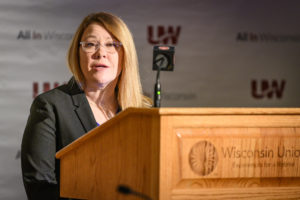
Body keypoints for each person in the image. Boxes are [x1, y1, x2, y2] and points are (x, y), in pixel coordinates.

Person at [21, 12, 151, 200]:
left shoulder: (143, 112)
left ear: (126, 54)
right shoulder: (50, 106)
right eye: (90, 44)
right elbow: (39, 188)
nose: (101, 53)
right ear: (77, 52)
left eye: (112, 44)